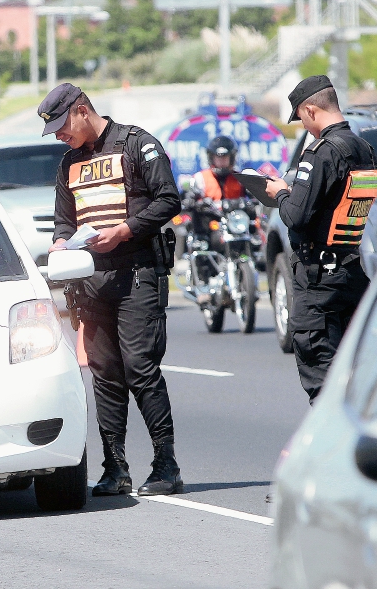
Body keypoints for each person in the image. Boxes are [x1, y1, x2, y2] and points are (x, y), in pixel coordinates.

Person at [41, 83, 184, 497]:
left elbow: (168, 199)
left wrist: (125, 230)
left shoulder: (137, 144)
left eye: (62, 125)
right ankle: (114, 467)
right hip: (90, 280)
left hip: (137, 272)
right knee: (105, 374)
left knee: (140, 368)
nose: (59, 135)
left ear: (82, 110)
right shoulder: (69, 163)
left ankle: (166, 464)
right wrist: (60, 243)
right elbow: (64, 221)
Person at [263, 75, 377, 402]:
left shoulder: (320, 153)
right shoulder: (365, 150)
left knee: (322, 375)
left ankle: (334, 446)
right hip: (351, 271)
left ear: (311, 110)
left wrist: (281, 193)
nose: (303, 125)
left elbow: (295, 216)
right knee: (354, 372)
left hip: (319, 281)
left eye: (300, 117)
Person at [189, 136, 246, 203]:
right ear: (211, 157)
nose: (222, 160)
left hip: (236, 212)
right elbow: (189, 200)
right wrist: (198, 204)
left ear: (231, 158)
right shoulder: (199, 178)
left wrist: (243, 204)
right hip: (207, 213)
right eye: (218, 157)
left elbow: (255, 201)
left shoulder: (240, 179)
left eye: (225, 156)